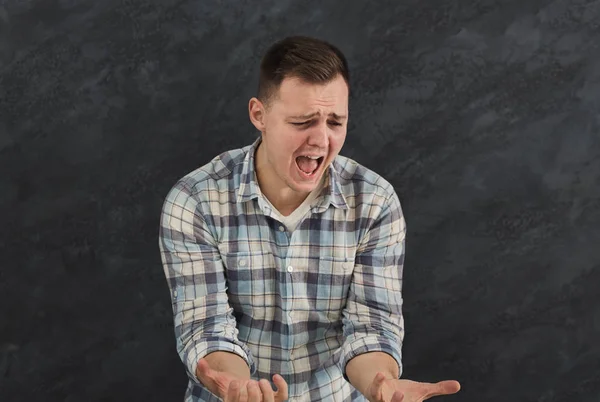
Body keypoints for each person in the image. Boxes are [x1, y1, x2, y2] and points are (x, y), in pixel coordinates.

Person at [159, 35, 461, 402]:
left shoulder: (374, 201)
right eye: (303, 121)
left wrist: (380, 384)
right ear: (259, 115)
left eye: (335, 122)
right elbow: (207, 326)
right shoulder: (195, 200)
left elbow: (372, 325)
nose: (321, 140)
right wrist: (240, 389)